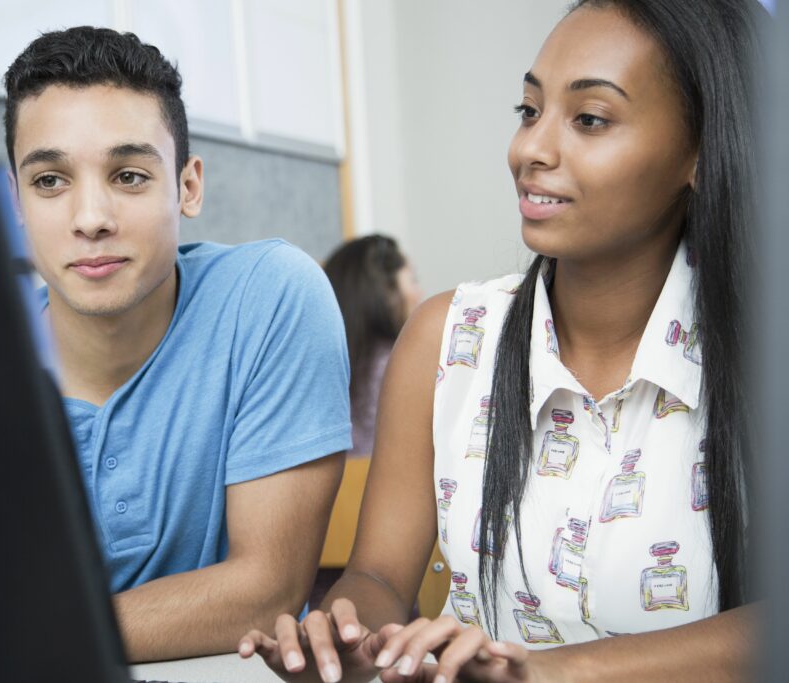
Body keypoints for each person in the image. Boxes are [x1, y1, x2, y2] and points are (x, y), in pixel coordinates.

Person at [239, 1, 760, 681]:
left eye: (590, 119)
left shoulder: (780, 353)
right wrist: (347, 634)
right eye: (528, 111)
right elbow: (377, 575)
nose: (529, 150)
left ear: (698, 150)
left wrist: (539, 672)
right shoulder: (444, 340)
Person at [2, 26, 351, 662]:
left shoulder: (269, 296)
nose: (90, 218)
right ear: (16, 200)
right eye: (50, 181)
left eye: (129, 175)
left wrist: (27, 636)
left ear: (188, 186)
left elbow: (265, 592)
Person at [324, 235, 423, 456]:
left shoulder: (321, 368)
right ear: (387, 292)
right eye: (413, 280)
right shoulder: (400, 364)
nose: (419, 294)